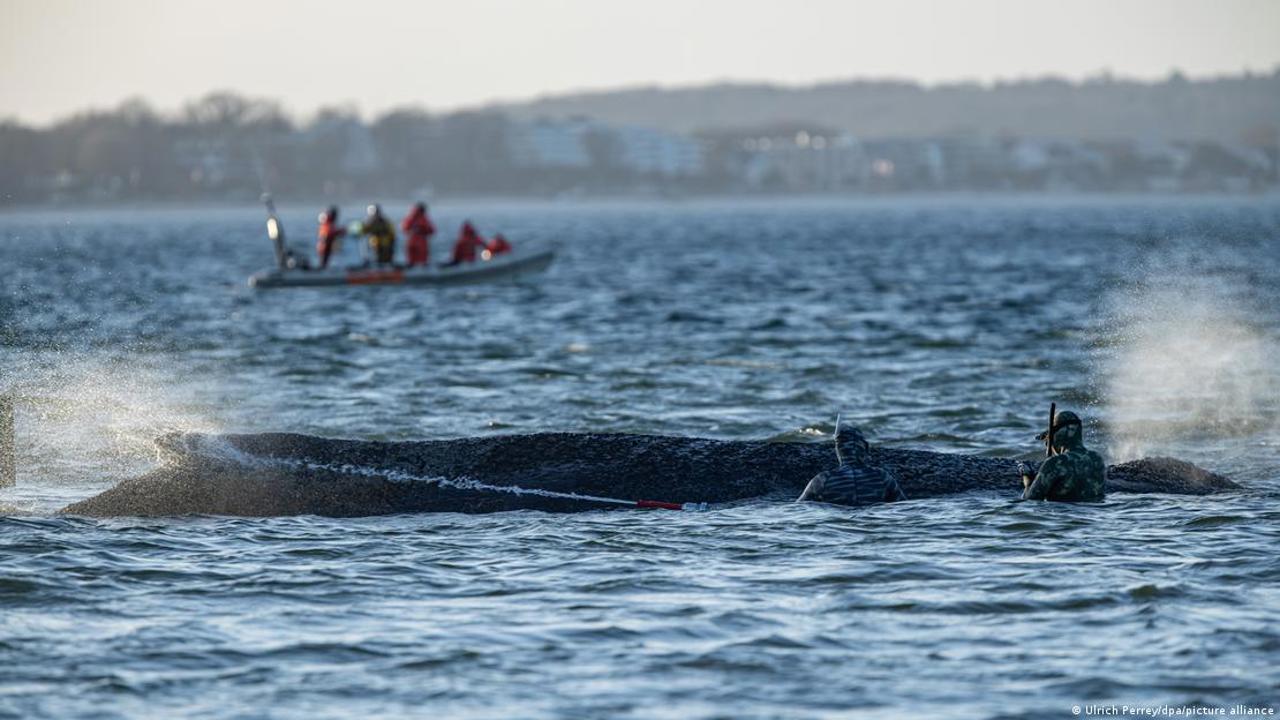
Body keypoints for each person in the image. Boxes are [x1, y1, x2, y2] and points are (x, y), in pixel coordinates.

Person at [797, 422, 907, 506]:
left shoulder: (822, 480)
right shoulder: (882, 477)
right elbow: (903, 507)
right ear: (865, 448)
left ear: (838, 450)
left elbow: (798, 509)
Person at [1016, 410, 1106, 502]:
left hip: (1061, 514)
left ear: (1058, 434)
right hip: (1091, 514)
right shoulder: (1097, 459)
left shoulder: (1055, 462)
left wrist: (1027, 479)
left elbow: (1030, 498)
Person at [401, 202, 436, 267]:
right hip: (419, 243)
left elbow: (404, 228)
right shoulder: (423, 219)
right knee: (421, 261)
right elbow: (432, 230)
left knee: (411, 261)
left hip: (411, 242)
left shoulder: (410, 217)